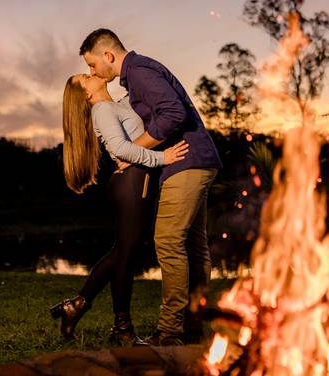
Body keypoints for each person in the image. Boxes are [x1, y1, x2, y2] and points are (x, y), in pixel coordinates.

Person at [80, 28, 222, 346]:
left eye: (92, 65)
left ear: (108, 56)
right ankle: (194, 327)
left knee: (169, 242)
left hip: (185, 162)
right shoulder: (137, 76)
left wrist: (135, 151)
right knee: (196, 248)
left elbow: (174, 113)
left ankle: (170, 332)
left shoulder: (139, 71)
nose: (92, 72)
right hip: (198, 159)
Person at [49, 73, 189, 345]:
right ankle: (122, 329)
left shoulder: (115, 105)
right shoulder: (101, 109)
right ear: (86, 95)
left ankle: (79, 307)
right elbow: (121, 149)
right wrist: (163, 157)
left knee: (122, 252)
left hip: (134, 182)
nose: (91, 74)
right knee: (125, 254)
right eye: (85, 78)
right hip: (131, 182)